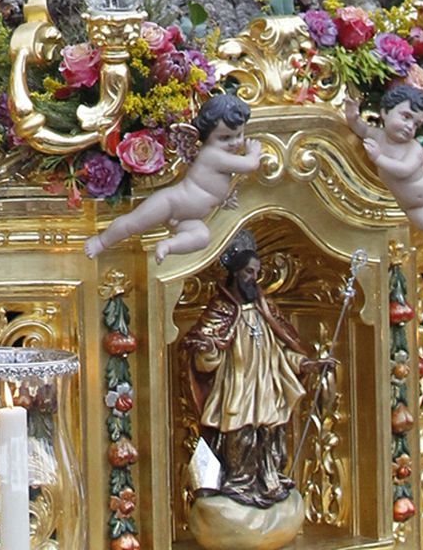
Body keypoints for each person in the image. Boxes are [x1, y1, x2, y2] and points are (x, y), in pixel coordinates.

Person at [183, 230, 330, 510]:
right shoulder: (221, 311)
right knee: (241, 444)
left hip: (266, 395)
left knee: (273, 446)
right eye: (250, 272)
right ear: (236, 273)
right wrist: (207, 349)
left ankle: (269, 484)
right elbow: (204, 363)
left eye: (257, 272)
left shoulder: (266, 310)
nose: (254, 278)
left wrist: (309, 364)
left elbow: (282, 355)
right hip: (237, 394)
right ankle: (238, 491)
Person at [85, 90, 260, 263]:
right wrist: (254, 152)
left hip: (188, 217)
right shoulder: (212, 154)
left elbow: (214, 184)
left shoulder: (222, 156)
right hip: (171, 203)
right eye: (225, 138)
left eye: (239, 135)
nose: (235, 142)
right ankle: (101, 241)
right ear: (207, 136)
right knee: (133, 223)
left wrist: (224, 197)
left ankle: (168, 246)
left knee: (202, 237)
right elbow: (250, 165)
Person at [344, 82, 423, 244]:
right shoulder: (377, 136)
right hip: (417, 207)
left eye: (416, 124)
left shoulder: (413, 148)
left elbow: (404, 170)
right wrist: (352, 114)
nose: (410, 127)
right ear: (385, 112)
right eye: (406, 117)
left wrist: (378, 159)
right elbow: (359, 128)